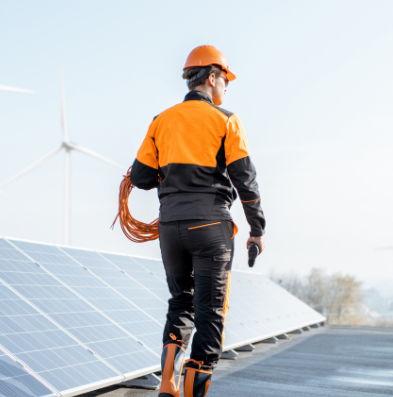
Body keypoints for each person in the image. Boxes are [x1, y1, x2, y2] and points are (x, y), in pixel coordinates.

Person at [130, 45, 266, 397]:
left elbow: (142, 177)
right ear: (211, 77)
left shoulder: (161, 121)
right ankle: (193, 391)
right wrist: (257, 230)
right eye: (225, 80)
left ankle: (168, 381)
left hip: (171, 228)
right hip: (210, 228)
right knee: (210, 311)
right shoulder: (226, 120)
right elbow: (245, 181)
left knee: (180, 303)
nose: (226, 87)